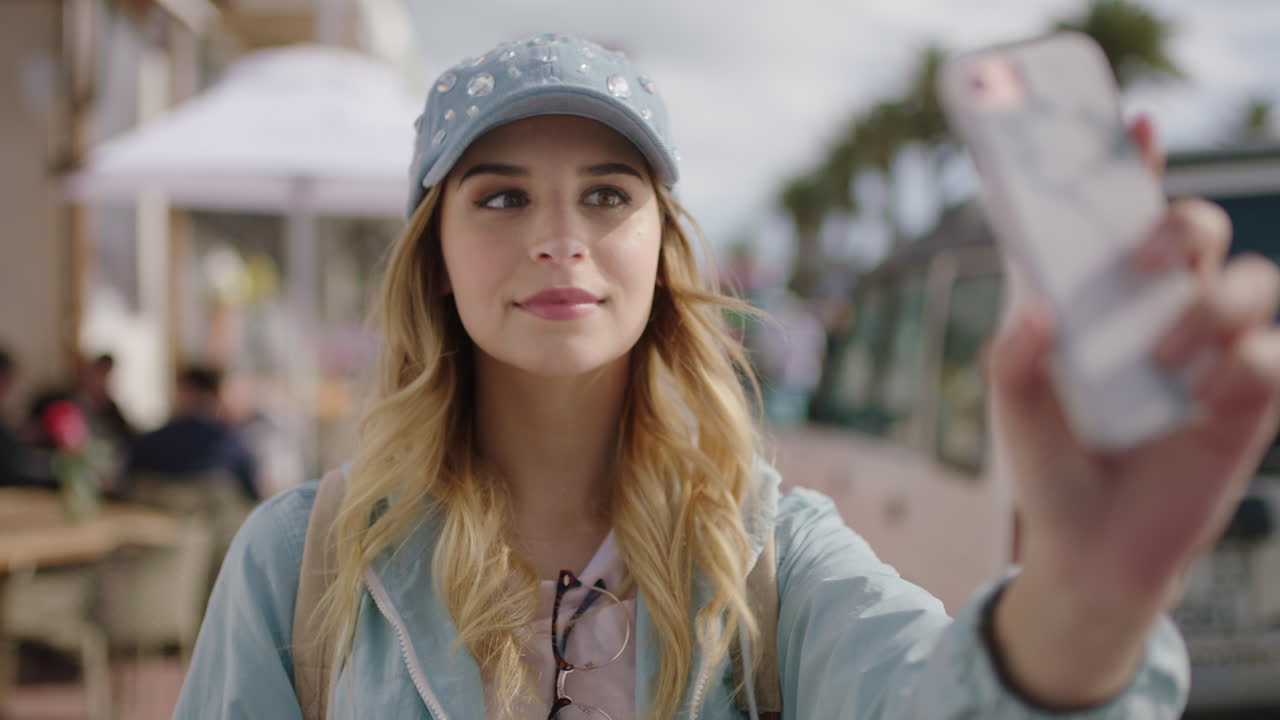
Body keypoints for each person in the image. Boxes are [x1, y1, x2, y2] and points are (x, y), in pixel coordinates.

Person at [174, 34, 1280, 719]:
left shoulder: (769, 556)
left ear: (663, 249)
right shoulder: (301, 562)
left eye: (607, 194)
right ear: (435, 257)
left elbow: (930, 697)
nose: (559, 236)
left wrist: (1084, 608)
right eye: (500, 195)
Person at [127, 365, 260, 502]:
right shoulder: (233, 443)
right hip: (216, 518)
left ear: (186, 392)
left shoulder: (153, 442)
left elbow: (128, 479)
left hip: (160, 517)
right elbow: (251, 495)